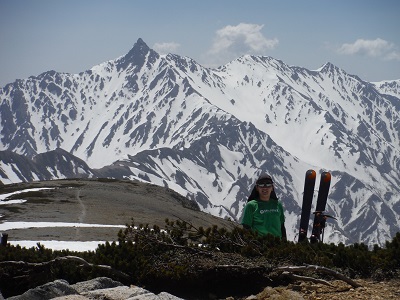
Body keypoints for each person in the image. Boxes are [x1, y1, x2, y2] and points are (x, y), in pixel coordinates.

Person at [241, 174, 287, 239]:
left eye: (268, 185)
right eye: (261, 185)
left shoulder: (278, 205)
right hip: (259, 245)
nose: (265, 188)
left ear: (272, 188)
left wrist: (284, 243)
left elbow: (282, 226)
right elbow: (246, 227)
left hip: (277, 245)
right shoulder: (251, 206)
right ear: (257, 188)